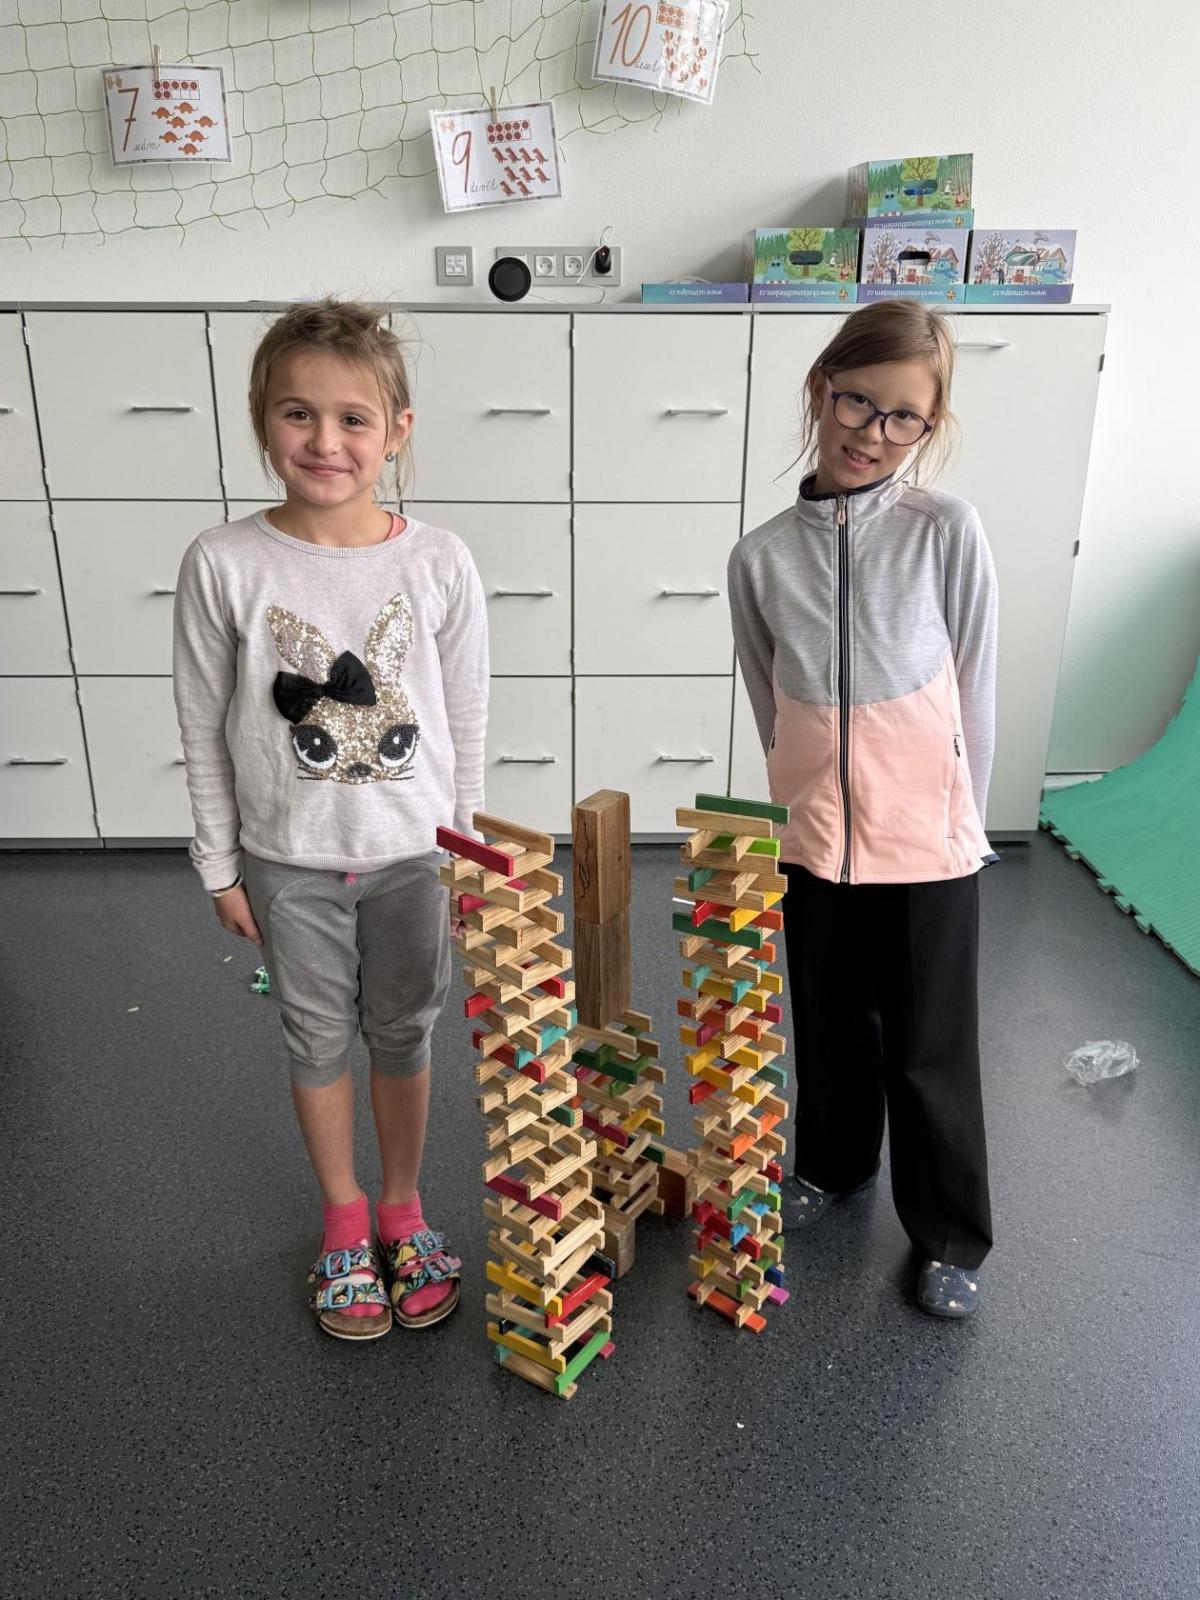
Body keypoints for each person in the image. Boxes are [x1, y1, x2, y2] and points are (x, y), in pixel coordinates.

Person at [173, 297, 488, 1340]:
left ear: (397, 430)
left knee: (404, 1029)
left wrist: (468, 848)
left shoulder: (438, 560)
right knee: (314, 1036)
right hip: (289, 859)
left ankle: (402, 1207)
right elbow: (203, 726)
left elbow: (465, 720)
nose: (325, 441)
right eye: (297, 413)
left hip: (415, 858)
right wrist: (220, 865)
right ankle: (345, 1222)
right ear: (262, 420)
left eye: (354, 418)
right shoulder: (225, 561)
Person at [727, 298, 998, 1319]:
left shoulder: (944, 531)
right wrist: (797, 801)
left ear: (929, 426)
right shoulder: (761, 558)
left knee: (931, 1049)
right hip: (815, 839)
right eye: (856, 402)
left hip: (928, 839)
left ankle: (949, 1233)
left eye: (903, 418)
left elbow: (976, 686)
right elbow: (770, 700)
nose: (872, 433)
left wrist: (962, 825)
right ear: (820, 388)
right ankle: (833, 1166)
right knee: (832, 1023)